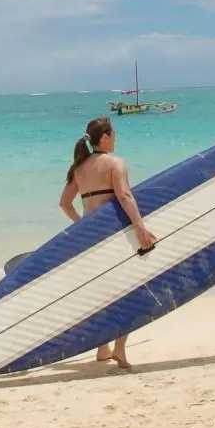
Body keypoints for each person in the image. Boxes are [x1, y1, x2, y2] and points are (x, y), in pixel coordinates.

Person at [58, 116, 157, 368]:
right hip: (114, 238)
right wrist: (141, 228)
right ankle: (120, 351)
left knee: (101, 295)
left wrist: (82, 224)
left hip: (91, 240)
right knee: (128, 292)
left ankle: (103, 348)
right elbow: (124, 196)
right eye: (113, 133)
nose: (115, 137)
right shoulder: (115, 163)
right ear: (104, 137)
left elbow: (64, 203)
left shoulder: (78, 168)